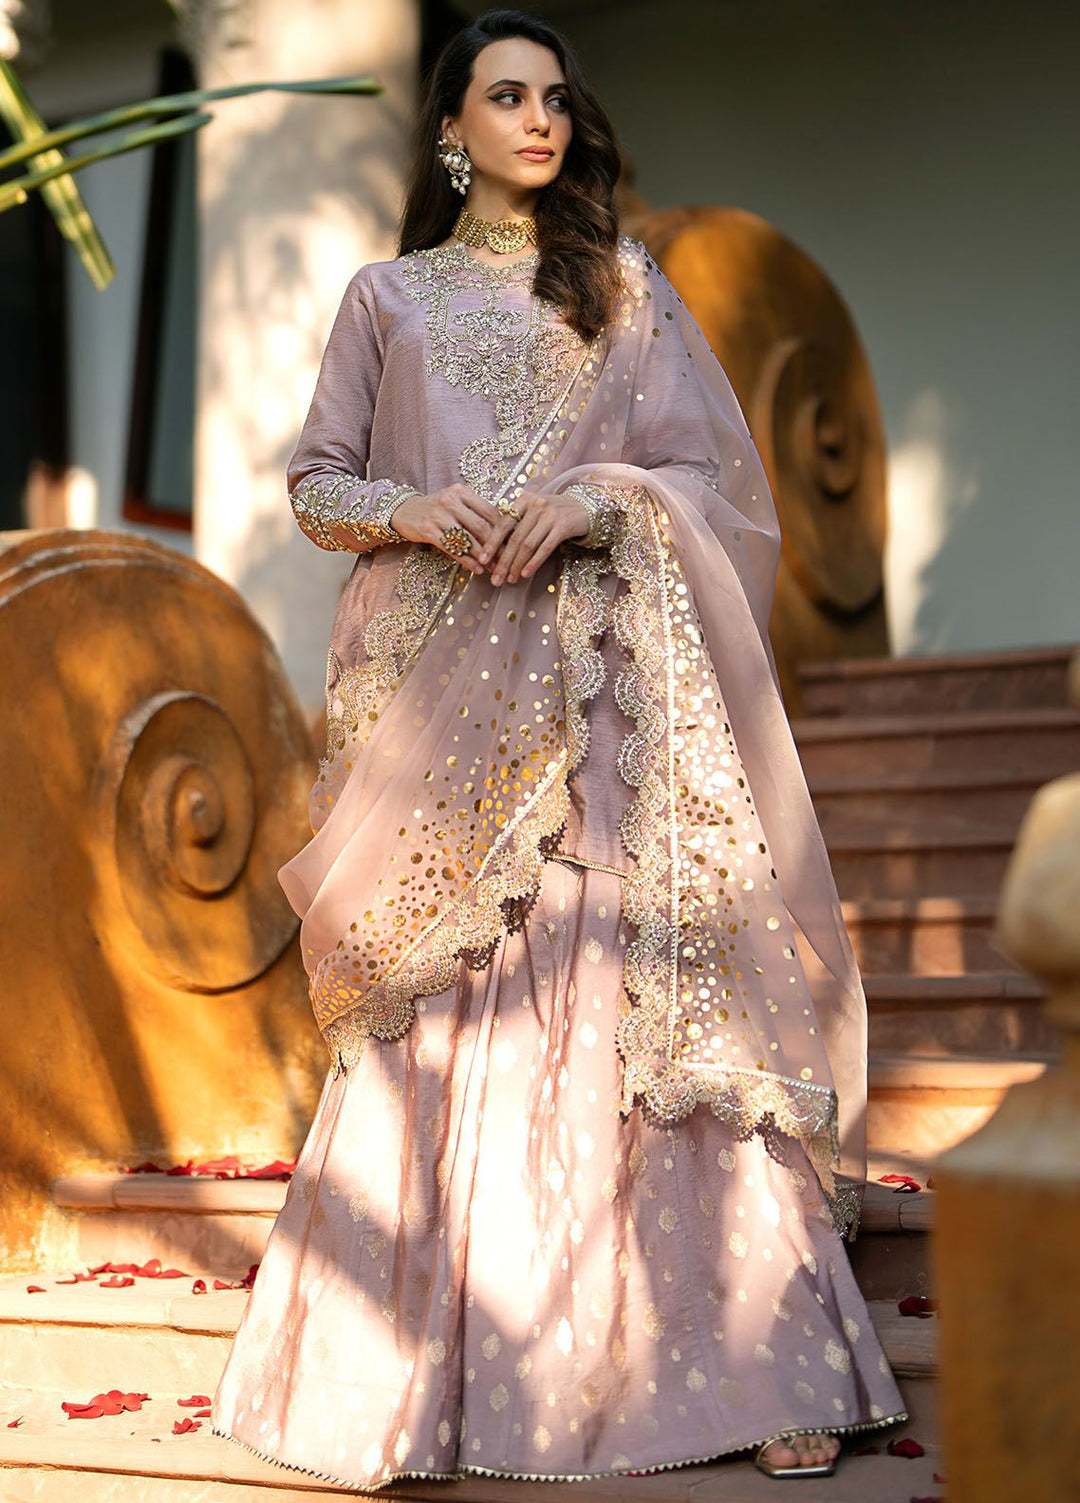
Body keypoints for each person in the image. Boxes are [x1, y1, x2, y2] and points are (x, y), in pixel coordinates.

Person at [211, 7, 907, 1488]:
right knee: (458, 985)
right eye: (506, 96)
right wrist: (412, 509)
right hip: (437, 694)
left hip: (600, 675)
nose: (540, 119)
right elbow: (317, 485)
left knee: (634, 967)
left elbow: (712, 480)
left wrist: (599, 494)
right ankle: (428, 1375)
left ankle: (754, 1366)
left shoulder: (624, 288)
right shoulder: (387, 297)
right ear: (451, 130)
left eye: (555, 98)